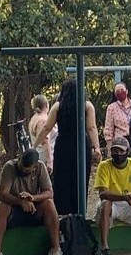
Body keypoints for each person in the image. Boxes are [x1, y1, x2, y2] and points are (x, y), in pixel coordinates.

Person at [35, 80, 101, 216]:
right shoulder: (87, 106)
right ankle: (79, 212)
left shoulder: (58, 106)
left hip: (63, 145)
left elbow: (47, 127)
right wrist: (97, 148)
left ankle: (61, 214)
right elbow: (91, 128)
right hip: (81, 146)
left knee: (62, 181)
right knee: (81, 180)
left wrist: (34, 146)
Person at [0, 149, 60, 255]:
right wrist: (20, 202)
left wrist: (32, 198)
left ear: (34, 167)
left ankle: (56, 249)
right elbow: (2, 194)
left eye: (26, 170)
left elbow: (49, 193)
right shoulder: (10, 167)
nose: (22, 171)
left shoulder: (41, 167)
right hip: (13, 210)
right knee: (0, 207)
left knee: (49, 204)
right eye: (21, 167)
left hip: (34, 208)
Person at [27, 95, 57, 175]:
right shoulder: (43, 120)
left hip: (38, 154)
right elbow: (45, 140)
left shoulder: (34, 118)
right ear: (46, 105)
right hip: (45, 156)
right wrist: (50, 161)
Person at [104, 82, 131, 150]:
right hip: (120, 142)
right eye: (117, 91)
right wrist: (109, 148)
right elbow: (108, 129)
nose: (120, 92)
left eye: (122, 90)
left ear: (127, 91)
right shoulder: (112, 108)